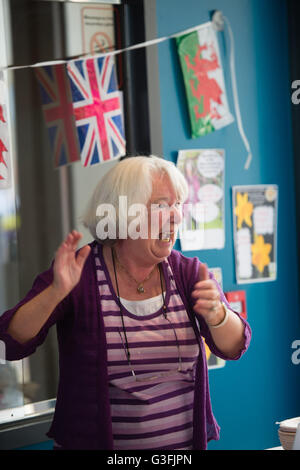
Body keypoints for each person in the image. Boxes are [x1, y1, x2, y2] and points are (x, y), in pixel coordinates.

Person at [0, 156, 251, 450]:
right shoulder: (81, 272)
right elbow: (11, 341)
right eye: (161, 205)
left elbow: (235, 346)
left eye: (178, 205)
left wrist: (219, 315)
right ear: (123, 212)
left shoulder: (188, 272)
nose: (177, 217)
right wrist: (55, 292)